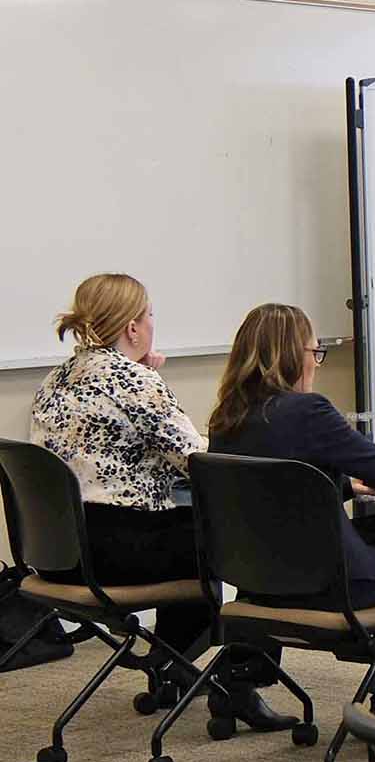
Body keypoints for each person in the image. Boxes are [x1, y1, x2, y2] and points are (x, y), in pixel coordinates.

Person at [28, 274, 286, 728]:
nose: (151, 324)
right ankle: (240, 678)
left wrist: (148, 374)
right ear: (132, 328)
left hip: (60, 555)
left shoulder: (56, 378)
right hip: (116, 553)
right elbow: (199, 461)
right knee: (246, 541)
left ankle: (171, 670)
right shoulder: (133, 381)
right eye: (148, 316)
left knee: (189, 531)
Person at [208, 303, 375, 608]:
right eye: (315, 352)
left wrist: (347, 486)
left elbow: (274, 499)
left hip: (259, 582)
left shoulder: (226, 419)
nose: (318, 363)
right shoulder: (309, 411)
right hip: (335, 587)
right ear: (293, 356)